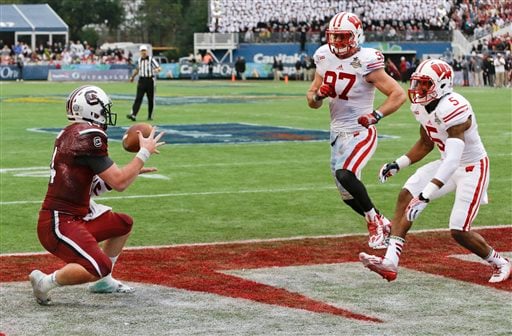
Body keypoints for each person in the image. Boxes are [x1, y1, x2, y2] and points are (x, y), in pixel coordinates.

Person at [359, 59, 510, 283]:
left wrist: (425, 196)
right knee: (405, 196)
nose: (418, 89)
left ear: (441, 85)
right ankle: (390, 262)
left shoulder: (455, 107)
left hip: (471, 167)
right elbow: (426, 143)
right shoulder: (421, 106)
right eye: (417, 83)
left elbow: (453, 159)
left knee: (459, 230)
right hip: (447, 162)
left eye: (425, 84)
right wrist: (398, 163)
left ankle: (500, 262)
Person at [29, 85, 165, 305]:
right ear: (90, 109)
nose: (106, 114)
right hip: (59, 222)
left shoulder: (71, 133)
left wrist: (133, 170)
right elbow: (120, 182)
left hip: (74, 217)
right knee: (98, 266)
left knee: (122, 224)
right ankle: (45, 282)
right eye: (103, 108)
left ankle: (104, 283)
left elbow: (92, 187)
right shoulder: (88, 136)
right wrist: (144, 153)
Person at [306, 11, 406, 249]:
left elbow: (398, 94)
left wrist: (375, 115)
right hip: (336, 134)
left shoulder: (367, 60)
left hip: (360, 132)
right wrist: (320, 94)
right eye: (334, 37)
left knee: (345, 174)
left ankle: (374, 224)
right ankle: (381, 220)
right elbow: (311, 99)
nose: (337, 42)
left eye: (343, 37)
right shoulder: (323, 55)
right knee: (348, 197)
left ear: (356, 36)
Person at [126, 45, 161, 121]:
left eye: (144, 50)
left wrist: (156, 70)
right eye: (142, 51)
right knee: (138, 98)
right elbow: (137, 69)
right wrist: (132, 77)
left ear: (147, 51)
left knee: (150, 99)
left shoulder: (151, 59)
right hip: (141, 80)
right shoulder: (139, 60)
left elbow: (159, 67)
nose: (143, 52)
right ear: (140, 52)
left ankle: (150, 115)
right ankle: (133, 115)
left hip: (150, 80)